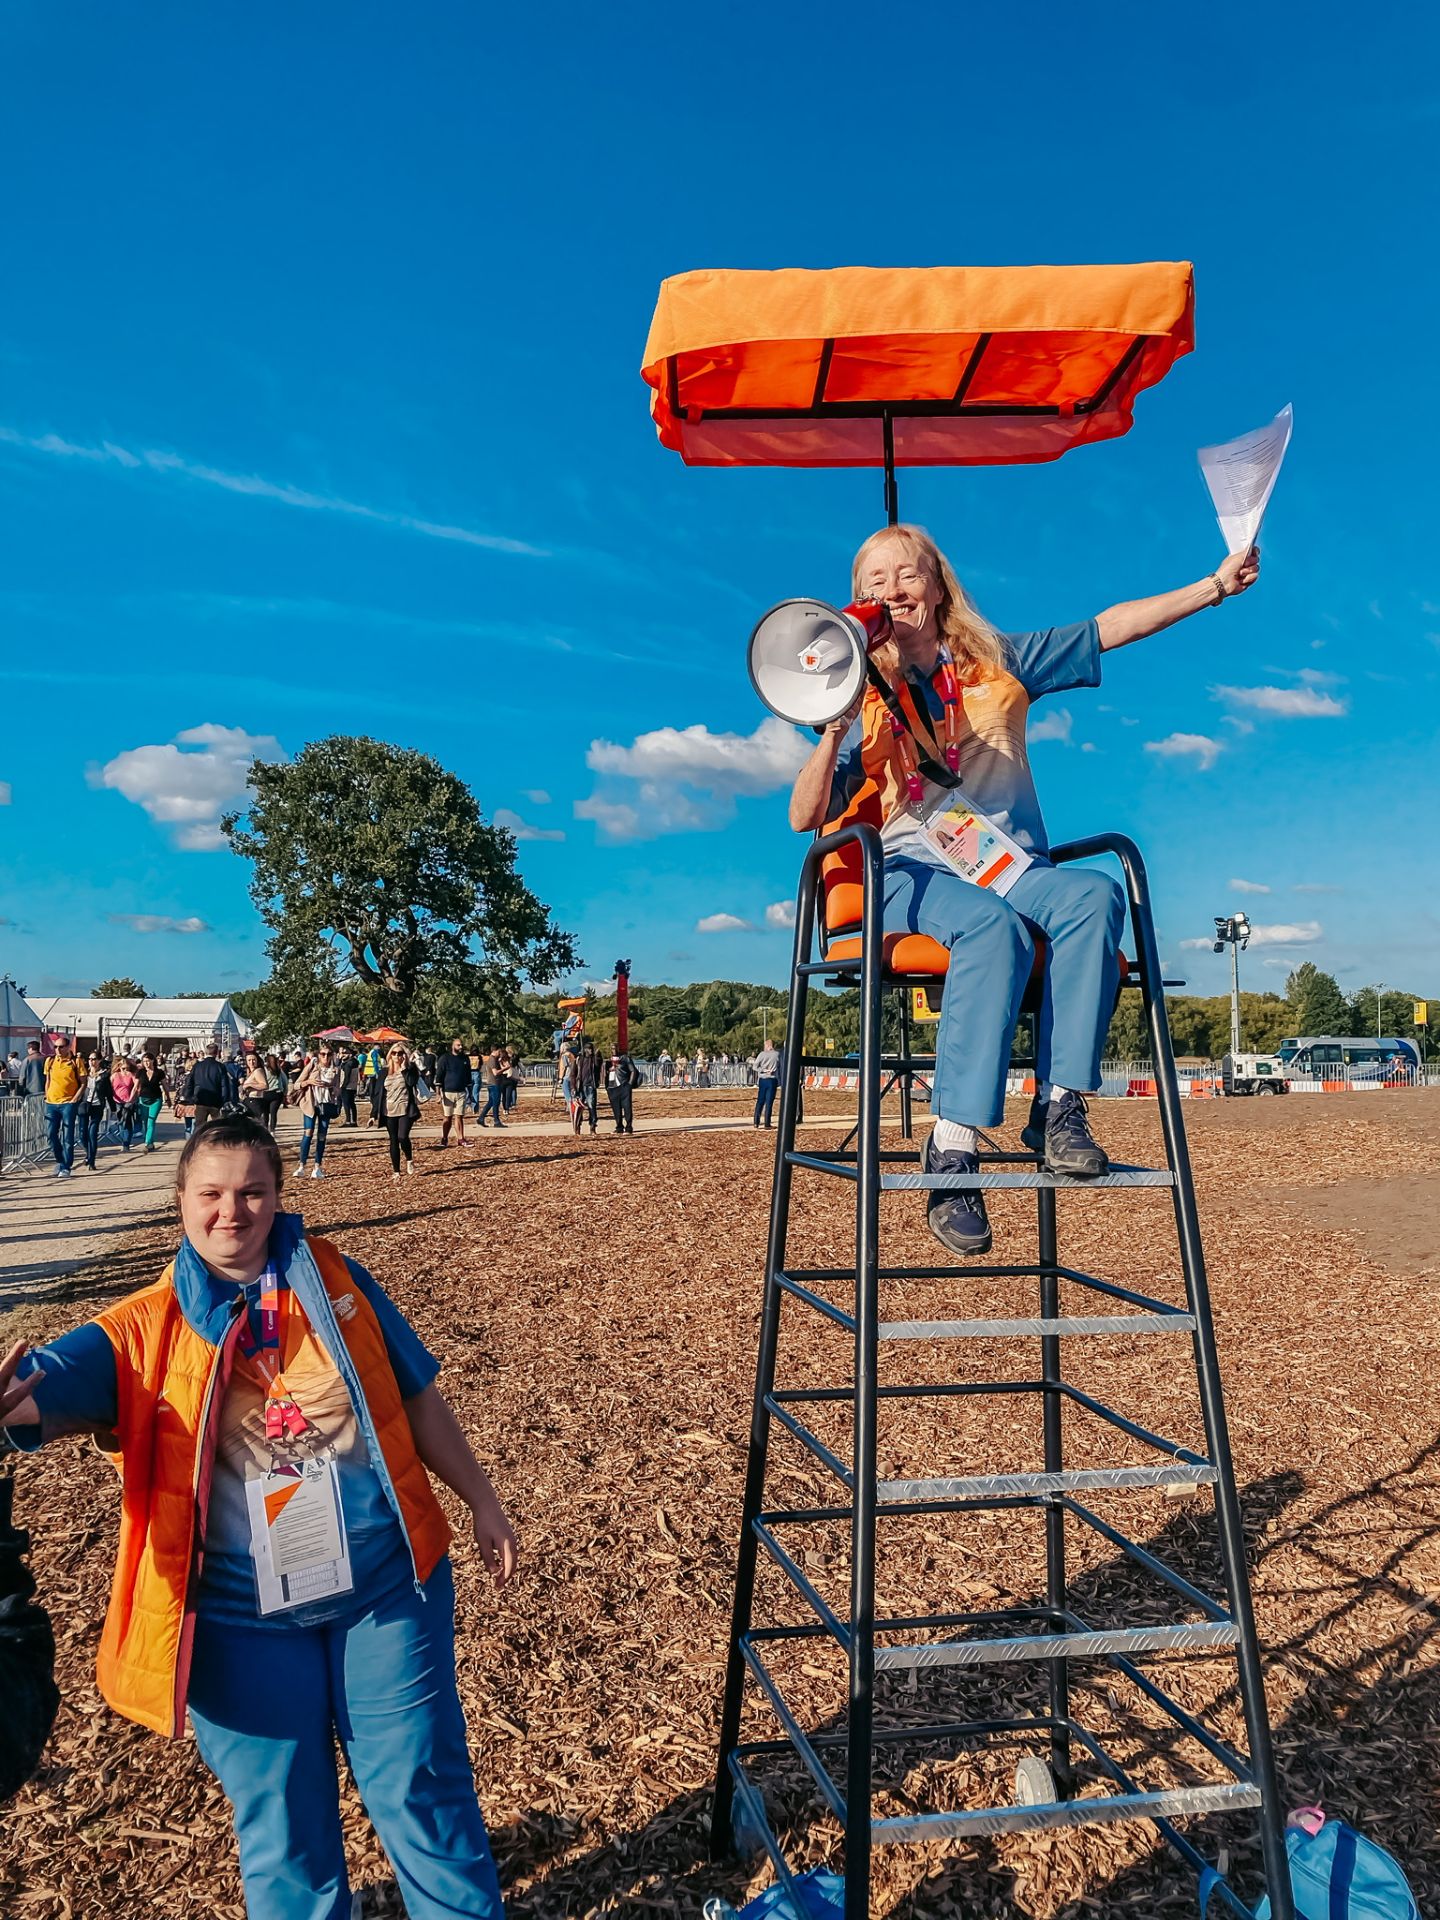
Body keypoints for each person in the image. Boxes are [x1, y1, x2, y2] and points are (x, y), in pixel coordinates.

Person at [1, 1114, 515, 1918]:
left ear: (279, 1197)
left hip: (384, 1595)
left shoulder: (338, 1282)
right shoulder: (142, 1329)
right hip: (238, 1624)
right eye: (210, 1194)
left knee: (425, 1794)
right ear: (180, 1201)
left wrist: (481, 1500)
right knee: (285, 1834)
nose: (230, 1212)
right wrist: (12, 1406)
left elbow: (414, 1394)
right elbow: (43, 1389)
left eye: (252, 1192)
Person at [789, 522, 1261, 1255]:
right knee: (991, 929)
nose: (891, 592)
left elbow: (1107, 628)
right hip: (914, 869)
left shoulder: (998, 661)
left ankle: (1060, 1107)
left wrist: (1213, 588)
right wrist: (832, 730)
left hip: (1009, 864)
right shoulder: (861, 694)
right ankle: (951, 1153)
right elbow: (803, 817)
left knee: (1096, 896)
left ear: (938, 584)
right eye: (872, 583)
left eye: (906, 575)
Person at [293, 1046, 342, 1179]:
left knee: (322, 1135)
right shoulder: (312, 1065)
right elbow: (296, 1084)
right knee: (308, 1132)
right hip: (311, 1103)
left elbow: (338, 1089)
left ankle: (317, 1166)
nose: (325, 1057)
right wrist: (309, 1082)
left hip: (326, 1104)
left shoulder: (336, 1069)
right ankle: (301, 1165)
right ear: (318, 1055)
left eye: (328, 1054)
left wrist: (332, 1088)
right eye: (323, 1054)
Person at [375, 1042, 422, 1179]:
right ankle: (396, 1171)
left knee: (403, 1136)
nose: (397, 1056)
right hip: (389, 1109)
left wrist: (404, 1069)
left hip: (406, 1108)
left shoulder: (410, 1068)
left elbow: (412, 1082)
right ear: (390, 1055)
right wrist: (373, 1114)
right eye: (394, 1053)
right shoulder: (384, 1071)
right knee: (393, 1140)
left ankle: (409, 1159)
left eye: (400, 1053)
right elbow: (378, 1093)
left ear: (404, 1055)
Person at [43, 1036, 85, 1178]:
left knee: (67, 1135)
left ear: (68, 1047)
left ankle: (66, 1166)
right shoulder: (50, 1061)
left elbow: (83, 1083)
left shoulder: (76, 1062)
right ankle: (60, 1161)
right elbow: (48, 1079)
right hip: (52, 1102)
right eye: (55, 1047)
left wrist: (75, 1099)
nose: (58, 1050)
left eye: (61, 1047)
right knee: (51, 1134)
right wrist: (46, 1095)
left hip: (68, 1103)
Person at [181, 1042, 231, 1132]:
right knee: (218, 1126)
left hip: (200, 1099)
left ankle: (197, 1143)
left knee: (199, 1125)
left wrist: (189, 1097)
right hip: (216, 1100)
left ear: (205, 1052)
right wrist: (225, 1100)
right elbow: (224, 1085)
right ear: (217, 1053)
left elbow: (189, 1082)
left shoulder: (197, 1066)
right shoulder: (220, 1066)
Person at [77, 1051, 113, 1172]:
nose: (92, 1061)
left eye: (94, 1059)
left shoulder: (104, 1075)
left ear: (99, 1061)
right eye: (90, 1059)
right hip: (84, 1105)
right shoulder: (84, 1073)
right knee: (82, 1134)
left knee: (92, 1133)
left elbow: (109, 1093)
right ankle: (88, 1153)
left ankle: (92, 1160)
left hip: (97, 1106)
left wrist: (113, 1108)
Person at [434, 1038, 471, 1148]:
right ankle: (444, 1139)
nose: (460, 1047)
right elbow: (439, 1077)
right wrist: (438, 1093)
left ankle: (461, 1138)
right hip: (448, 1092)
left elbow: (468, 1076)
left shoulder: (465, 1059)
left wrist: (470, 1093)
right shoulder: (444, 1058)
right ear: (453, 1046)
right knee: (447, 1117)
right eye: (458, 1045)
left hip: (461, 1092)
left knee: (459, 1116)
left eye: (461, 1045)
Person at [135, 1052, 167, 1152]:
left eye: (148, 1061)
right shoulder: (140, 1072)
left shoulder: (159, 1072)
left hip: (156, 1099)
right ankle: (149, 1141)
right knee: (145, 1121)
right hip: (143, 1099)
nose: (146, 1063)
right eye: (144, 1061)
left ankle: (148, 1143)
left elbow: (165, 1086)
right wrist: (131, 1098)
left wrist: (168, 1098)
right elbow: (135, 1087)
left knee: (151, 1121)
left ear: (153, 1060)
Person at [109, 1056, 141, 1151]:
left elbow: (136, 1087)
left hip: (128, 1101)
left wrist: (131, 1099)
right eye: (123, 1068)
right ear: (119, 1067)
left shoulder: (131, 1075)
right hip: (117, 1101)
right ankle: (123, 1139)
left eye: (127, 1068)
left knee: (127, 1121)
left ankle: (126, 1143)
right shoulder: (114, 1076)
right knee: (120, 1122)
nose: (125, 1070)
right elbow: (109, 1088)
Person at [605, 1050, 639, 1135]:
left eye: (615, 1047)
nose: (613, 1050)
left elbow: (633, 1071)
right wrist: (607, 1087)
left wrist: (630, 1084)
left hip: (624, 1086)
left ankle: (628, 1127)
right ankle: (619, 1126)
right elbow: (606, 1073)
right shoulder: (608, 1060)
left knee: (627, 1107)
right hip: (612, 1087)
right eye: (611, 1048)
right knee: (616, 1109)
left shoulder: (625, 1058)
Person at [573, 1040, 600, 1136]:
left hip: (590, 1086)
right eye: (589, 1049)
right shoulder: (579, 1059)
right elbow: (573, 1074)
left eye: (591, 1049)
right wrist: (573, 1087)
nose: (591, 1051)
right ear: (585, 1050)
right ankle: (577, 1126)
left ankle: (592, 1126)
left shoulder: (594, 1060)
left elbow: (598, 1066)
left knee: (592, 1107)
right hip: (580, 1086)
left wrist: (597, 1055)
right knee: (579, 1108)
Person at [753, 1039, 782, 1129]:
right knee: (769, 1102)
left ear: (768, 1045)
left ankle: (756, 1122)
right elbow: (780, 1066)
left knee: (760, 1101)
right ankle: (767, 1123)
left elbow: (755, 1066)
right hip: (772, 1079)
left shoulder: (762, 1054)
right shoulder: (777, 1054)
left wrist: (763, 1070)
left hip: (763, 1079)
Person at [479, 1045, 507, 1130]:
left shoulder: (493, 1059)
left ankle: (481, 1118)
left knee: (491, 1102)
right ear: (495, 1051)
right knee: (496, 1102)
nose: (500, 1053)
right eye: (499, 1051)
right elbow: (495, 1072)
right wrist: (506, 1068)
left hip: (492, 1083)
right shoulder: (492, 1059)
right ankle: (496, 1121)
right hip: (494, 1083)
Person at [241, 1052, 271, 1125]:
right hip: (249, 1100)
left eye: (253, 1060)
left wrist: (249, 1084)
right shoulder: (250, 1072)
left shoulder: (258, 1071)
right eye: (249, 1060)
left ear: (257, 1060)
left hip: (256, 1100)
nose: (251, 1062)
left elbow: (264, 1085)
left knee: (256, 1124)